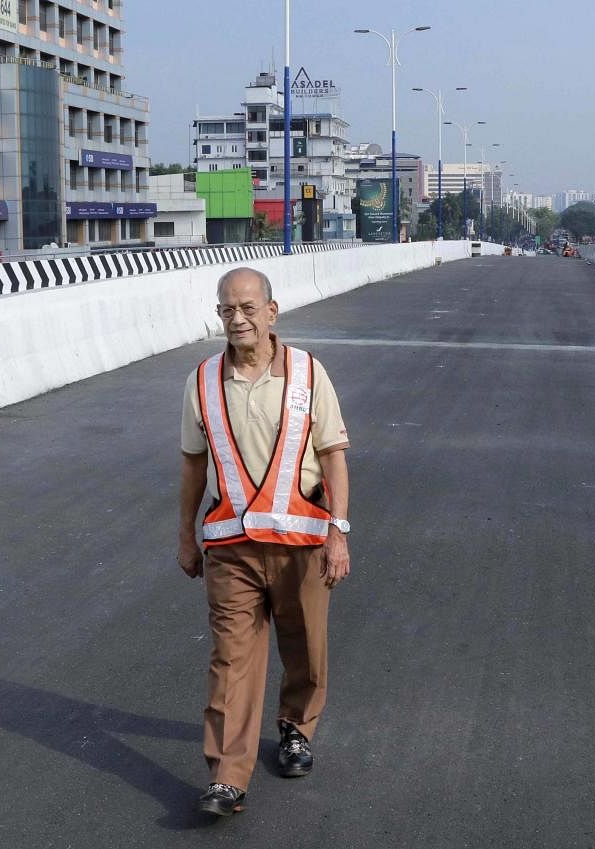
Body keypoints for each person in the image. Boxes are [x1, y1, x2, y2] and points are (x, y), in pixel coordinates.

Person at [178, 266, 351, 817]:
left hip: (303, 542)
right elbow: (192, 465)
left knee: (306, 649)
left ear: (272, 313)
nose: (238, 319)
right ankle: (228, 776)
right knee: (231, 660)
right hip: (231, 546)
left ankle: (296, 726)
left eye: (248, 308)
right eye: (227, 309)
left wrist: (338, 531)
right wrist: (185, 535)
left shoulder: (307, 373)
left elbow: (333, 457)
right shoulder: (202, 381)